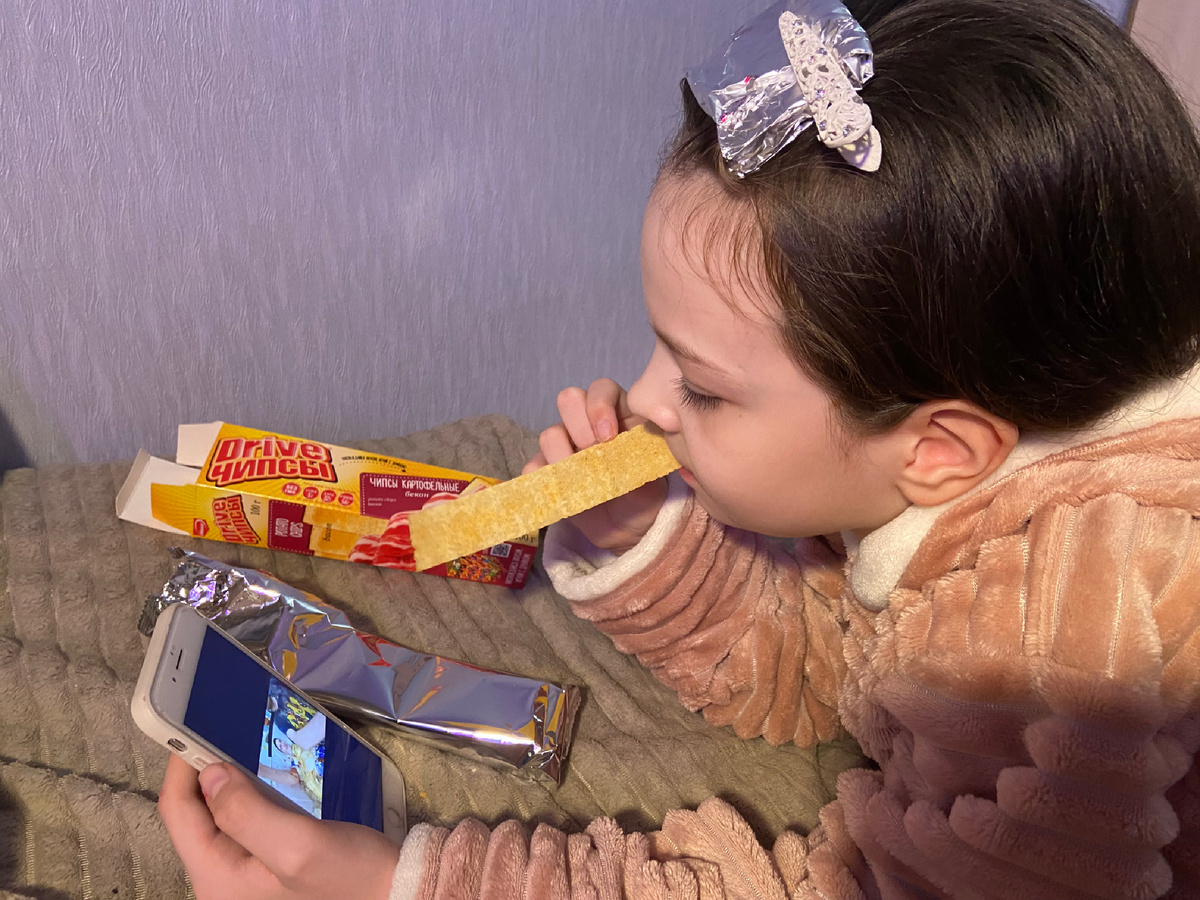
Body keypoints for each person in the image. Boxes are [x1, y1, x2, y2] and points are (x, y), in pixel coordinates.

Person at [156, 0, 1200, 897]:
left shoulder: (1060, 650)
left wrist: (409, 882)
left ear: (940, 448)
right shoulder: (932, 458)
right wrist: (645, 539)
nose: (646, 399)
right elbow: (832, 669)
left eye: (701, 386)